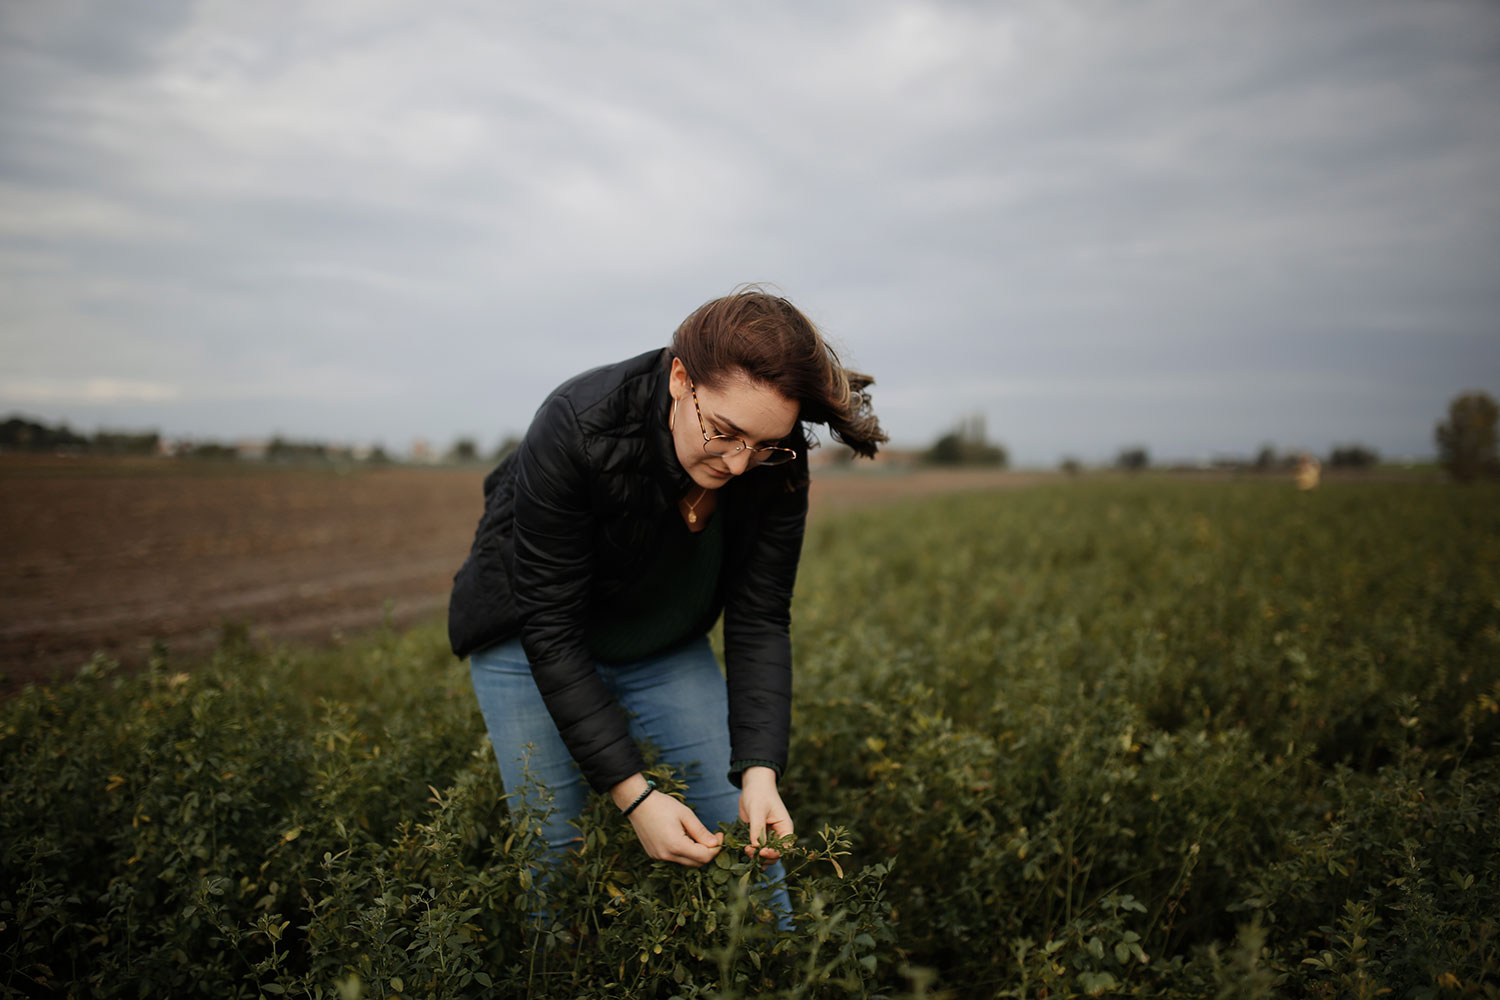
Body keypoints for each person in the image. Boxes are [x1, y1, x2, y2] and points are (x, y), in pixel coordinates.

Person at [447, 287, 886, 895]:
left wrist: (760, 771)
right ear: (682, 379)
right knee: (556, 854)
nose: (738, 465)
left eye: (761, 445)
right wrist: (634, 798)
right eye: (725, 432)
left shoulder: (774, 458)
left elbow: (760, 617)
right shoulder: (577, 423)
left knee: (747, 842)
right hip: (526, 637)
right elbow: (551, 625)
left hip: (657, 637)